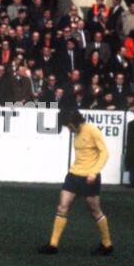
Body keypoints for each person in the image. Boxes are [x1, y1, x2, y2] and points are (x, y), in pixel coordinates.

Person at [38, 109, 113, 255]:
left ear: (76, 123)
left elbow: (105, 153)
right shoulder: (76, 132)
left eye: (69, 126)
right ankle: (53, 245)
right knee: (62, 206)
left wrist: (94, 172)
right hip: (73, 175)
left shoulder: (92, 131)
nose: (69, 129)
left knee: (95, 211)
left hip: (90, 177)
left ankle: (107, 244)